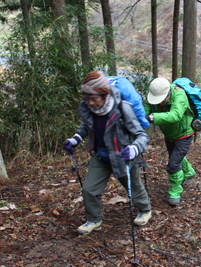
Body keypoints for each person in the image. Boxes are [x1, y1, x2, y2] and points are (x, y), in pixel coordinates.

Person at [63, 70, 152, 235]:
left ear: (105, 95)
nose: (90, 102)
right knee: (89, 190)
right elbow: (86, 125)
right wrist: (75, 139)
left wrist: (134, 149)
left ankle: (145, 210)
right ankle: (95, 220)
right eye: (87, 98)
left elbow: (141, 135)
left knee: (134, 187)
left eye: (94, 98)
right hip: (101, 156)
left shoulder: (122, 108)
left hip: (123, 156)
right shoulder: (90, 107)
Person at [144, 78, 196, 206]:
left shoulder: (179, 95)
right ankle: (189, 172)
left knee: (173, 165)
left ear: (168, 94)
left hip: (184, 134)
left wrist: (152, 117)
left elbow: (175, 115)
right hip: (169, 134)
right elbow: (145, 110)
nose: (159, 102)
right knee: (175, 157)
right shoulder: (152, 96)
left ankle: (175, 192)